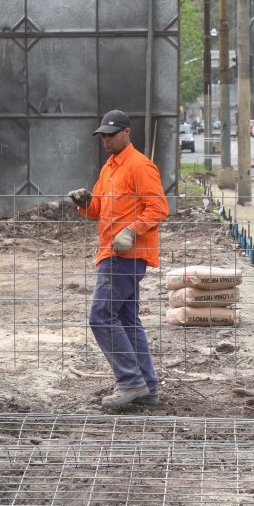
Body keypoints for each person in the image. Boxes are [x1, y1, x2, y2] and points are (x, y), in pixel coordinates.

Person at [68, 110, 168, 408]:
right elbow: (98, 209)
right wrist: (84, 204)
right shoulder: (109, 167)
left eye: (111, 134)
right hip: (111, 252)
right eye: (103, 135)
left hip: (125, 254)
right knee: (125, 319)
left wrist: (132, 231)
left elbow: (159, 208)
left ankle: (130, 382)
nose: (106, 140)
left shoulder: (140, 166)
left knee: (100, 316)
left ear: (127, 132)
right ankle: (148, 387)